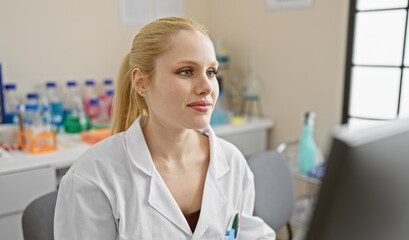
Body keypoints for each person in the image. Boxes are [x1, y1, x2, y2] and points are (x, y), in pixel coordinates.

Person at [54, 17, 275, 240]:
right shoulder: (92, 177)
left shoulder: (232, 162)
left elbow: (249, 233)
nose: (207, 87)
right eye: (186, 71)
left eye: (211, 72)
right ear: (141, 83)